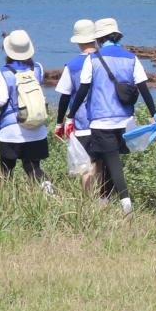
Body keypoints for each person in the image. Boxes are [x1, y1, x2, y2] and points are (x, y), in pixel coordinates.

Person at [70, 16, 156, 214]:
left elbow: (83, 90)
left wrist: (70, 115)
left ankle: (126, 203)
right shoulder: (131, 58)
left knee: (112, 160)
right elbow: (144, 88)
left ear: (99, 38)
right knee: (110, 160)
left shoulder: (93, 59)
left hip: (101, 120)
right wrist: (154, 113)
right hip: (125, 121)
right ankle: (105, 201)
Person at [0, 29, 51, 188]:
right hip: (36, 126)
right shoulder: (37, 68)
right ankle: (48, 191)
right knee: (33, 167)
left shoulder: (3, 72)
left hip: (11, 130)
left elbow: (0, 100)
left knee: (6, 169)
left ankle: (6, 197)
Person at [54, 19, 98, 190]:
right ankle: (103, 199)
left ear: (78, 41)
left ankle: (87, 200)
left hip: (82, 123)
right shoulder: (104, 60)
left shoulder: (72, 65)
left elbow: (64, 97)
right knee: (101, 164)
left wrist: (60, 122)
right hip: (105, 122)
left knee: (85, 167)